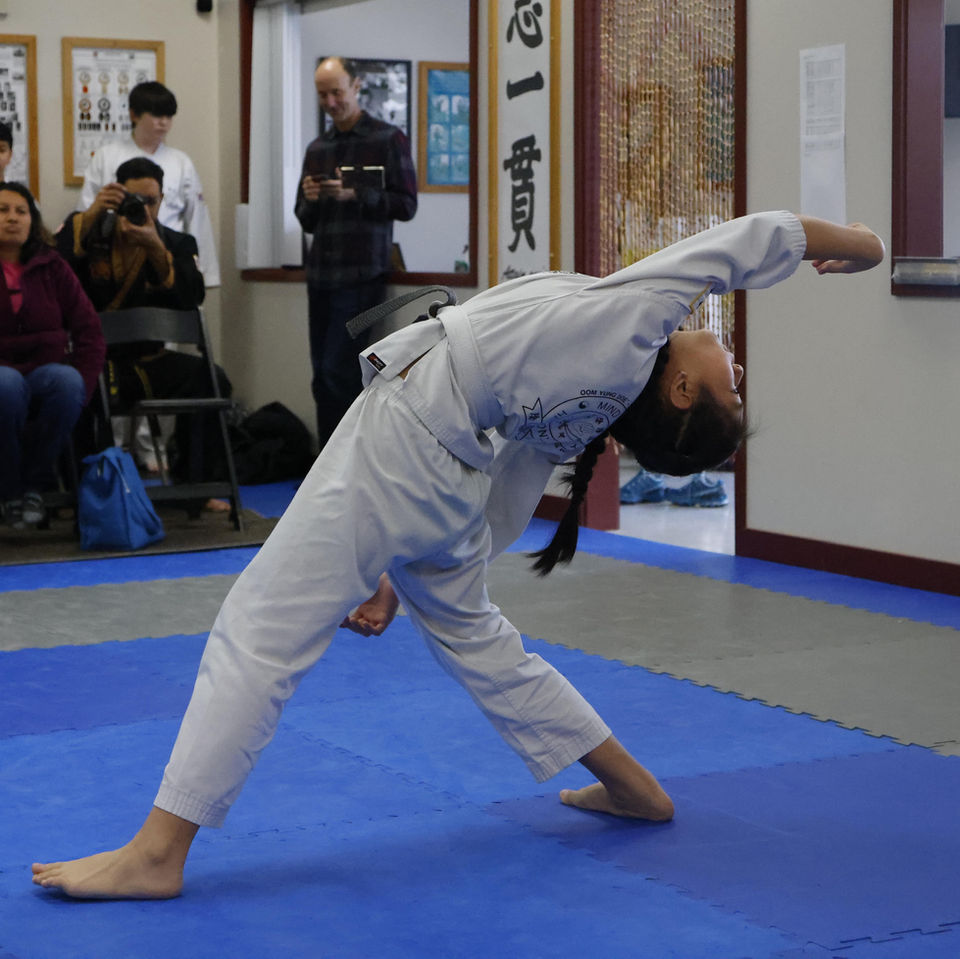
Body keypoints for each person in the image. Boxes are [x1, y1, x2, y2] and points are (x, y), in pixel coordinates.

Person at [31, 211, 884, 899]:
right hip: (441, 476)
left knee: (260, 626)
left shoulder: (631, 326)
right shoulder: (597, 400)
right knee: (483, 642)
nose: (735, 361)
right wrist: (416, 569)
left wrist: (861, 244)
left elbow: (749, 239)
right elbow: (501, 502)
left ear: (685, 390)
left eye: (732, 381)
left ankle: (158, 851)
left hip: (409, 439)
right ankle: (633, 787)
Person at [58, 156, 229, 503]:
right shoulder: (92, 237)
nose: (143, 208)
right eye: (133, 199)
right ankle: (84, 492)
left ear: (162, 199)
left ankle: (196, 486)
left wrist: (155, 247)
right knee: (71, 387)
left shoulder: (177, 243)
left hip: (152, 360)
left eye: (150, 201)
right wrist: (91, 214)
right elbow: (56, 268)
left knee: (213, 378)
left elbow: (190, 299)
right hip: (100, 360)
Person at [294, 56, 417, 451]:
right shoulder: (318, 148)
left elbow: (407, 205)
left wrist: (356, 194)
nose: (330, 102)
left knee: (340, 372)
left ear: (357, 86)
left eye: (336, 92)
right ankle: (326, 464)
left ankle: (347, 463)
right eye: (322, 95)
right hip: (321, 274)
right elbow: (305, 218)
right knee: (320, 375)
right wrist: (311, 199)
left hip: (362, 274)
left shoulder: (387, 139)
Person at [0, 182, 105, 528]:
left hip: (46, 372)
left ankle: (34, 486)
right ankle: (9, 490)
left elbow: (89, 332)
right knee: (6, 384)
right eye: (2, 210)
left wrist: (83, 387)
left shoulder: (53, 266)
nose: (12, 218)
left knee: (67, 382)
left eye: (21, 211)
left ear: (32, 220)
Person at [78, 82, 220, 287]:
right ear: (134, 115)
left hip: (168, 252)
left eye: (169, 116)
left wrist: (203, 274)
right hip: (117, 255)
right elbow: (86, 212)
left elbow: (197, 218)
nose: (163, 123)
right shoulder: (106, 157)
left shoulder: (181, 163)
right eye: (156, 115)